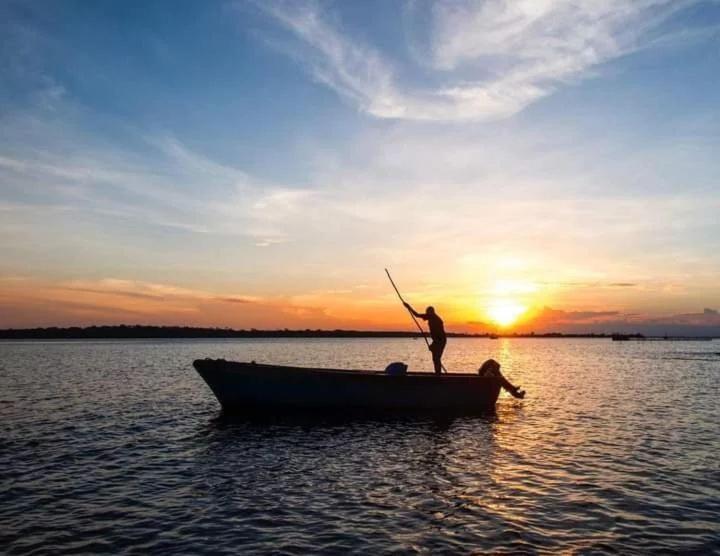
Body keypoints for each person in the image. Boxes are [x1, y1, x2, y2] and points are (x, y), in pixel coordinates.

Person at [403, 302, 446, 374]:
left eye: (427, 313)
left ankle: (438, 375)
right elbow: (417, 315)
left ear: (431, 312)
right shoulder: (431, 317)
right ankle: (438, 373)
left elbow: (439, 335)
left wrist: (434, 345)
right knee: (435, 358)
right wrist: (408, 307)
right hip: (438, 340)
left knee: (436, 358)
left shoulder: (436, 319)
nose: (426, 315)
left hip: (440, 341)